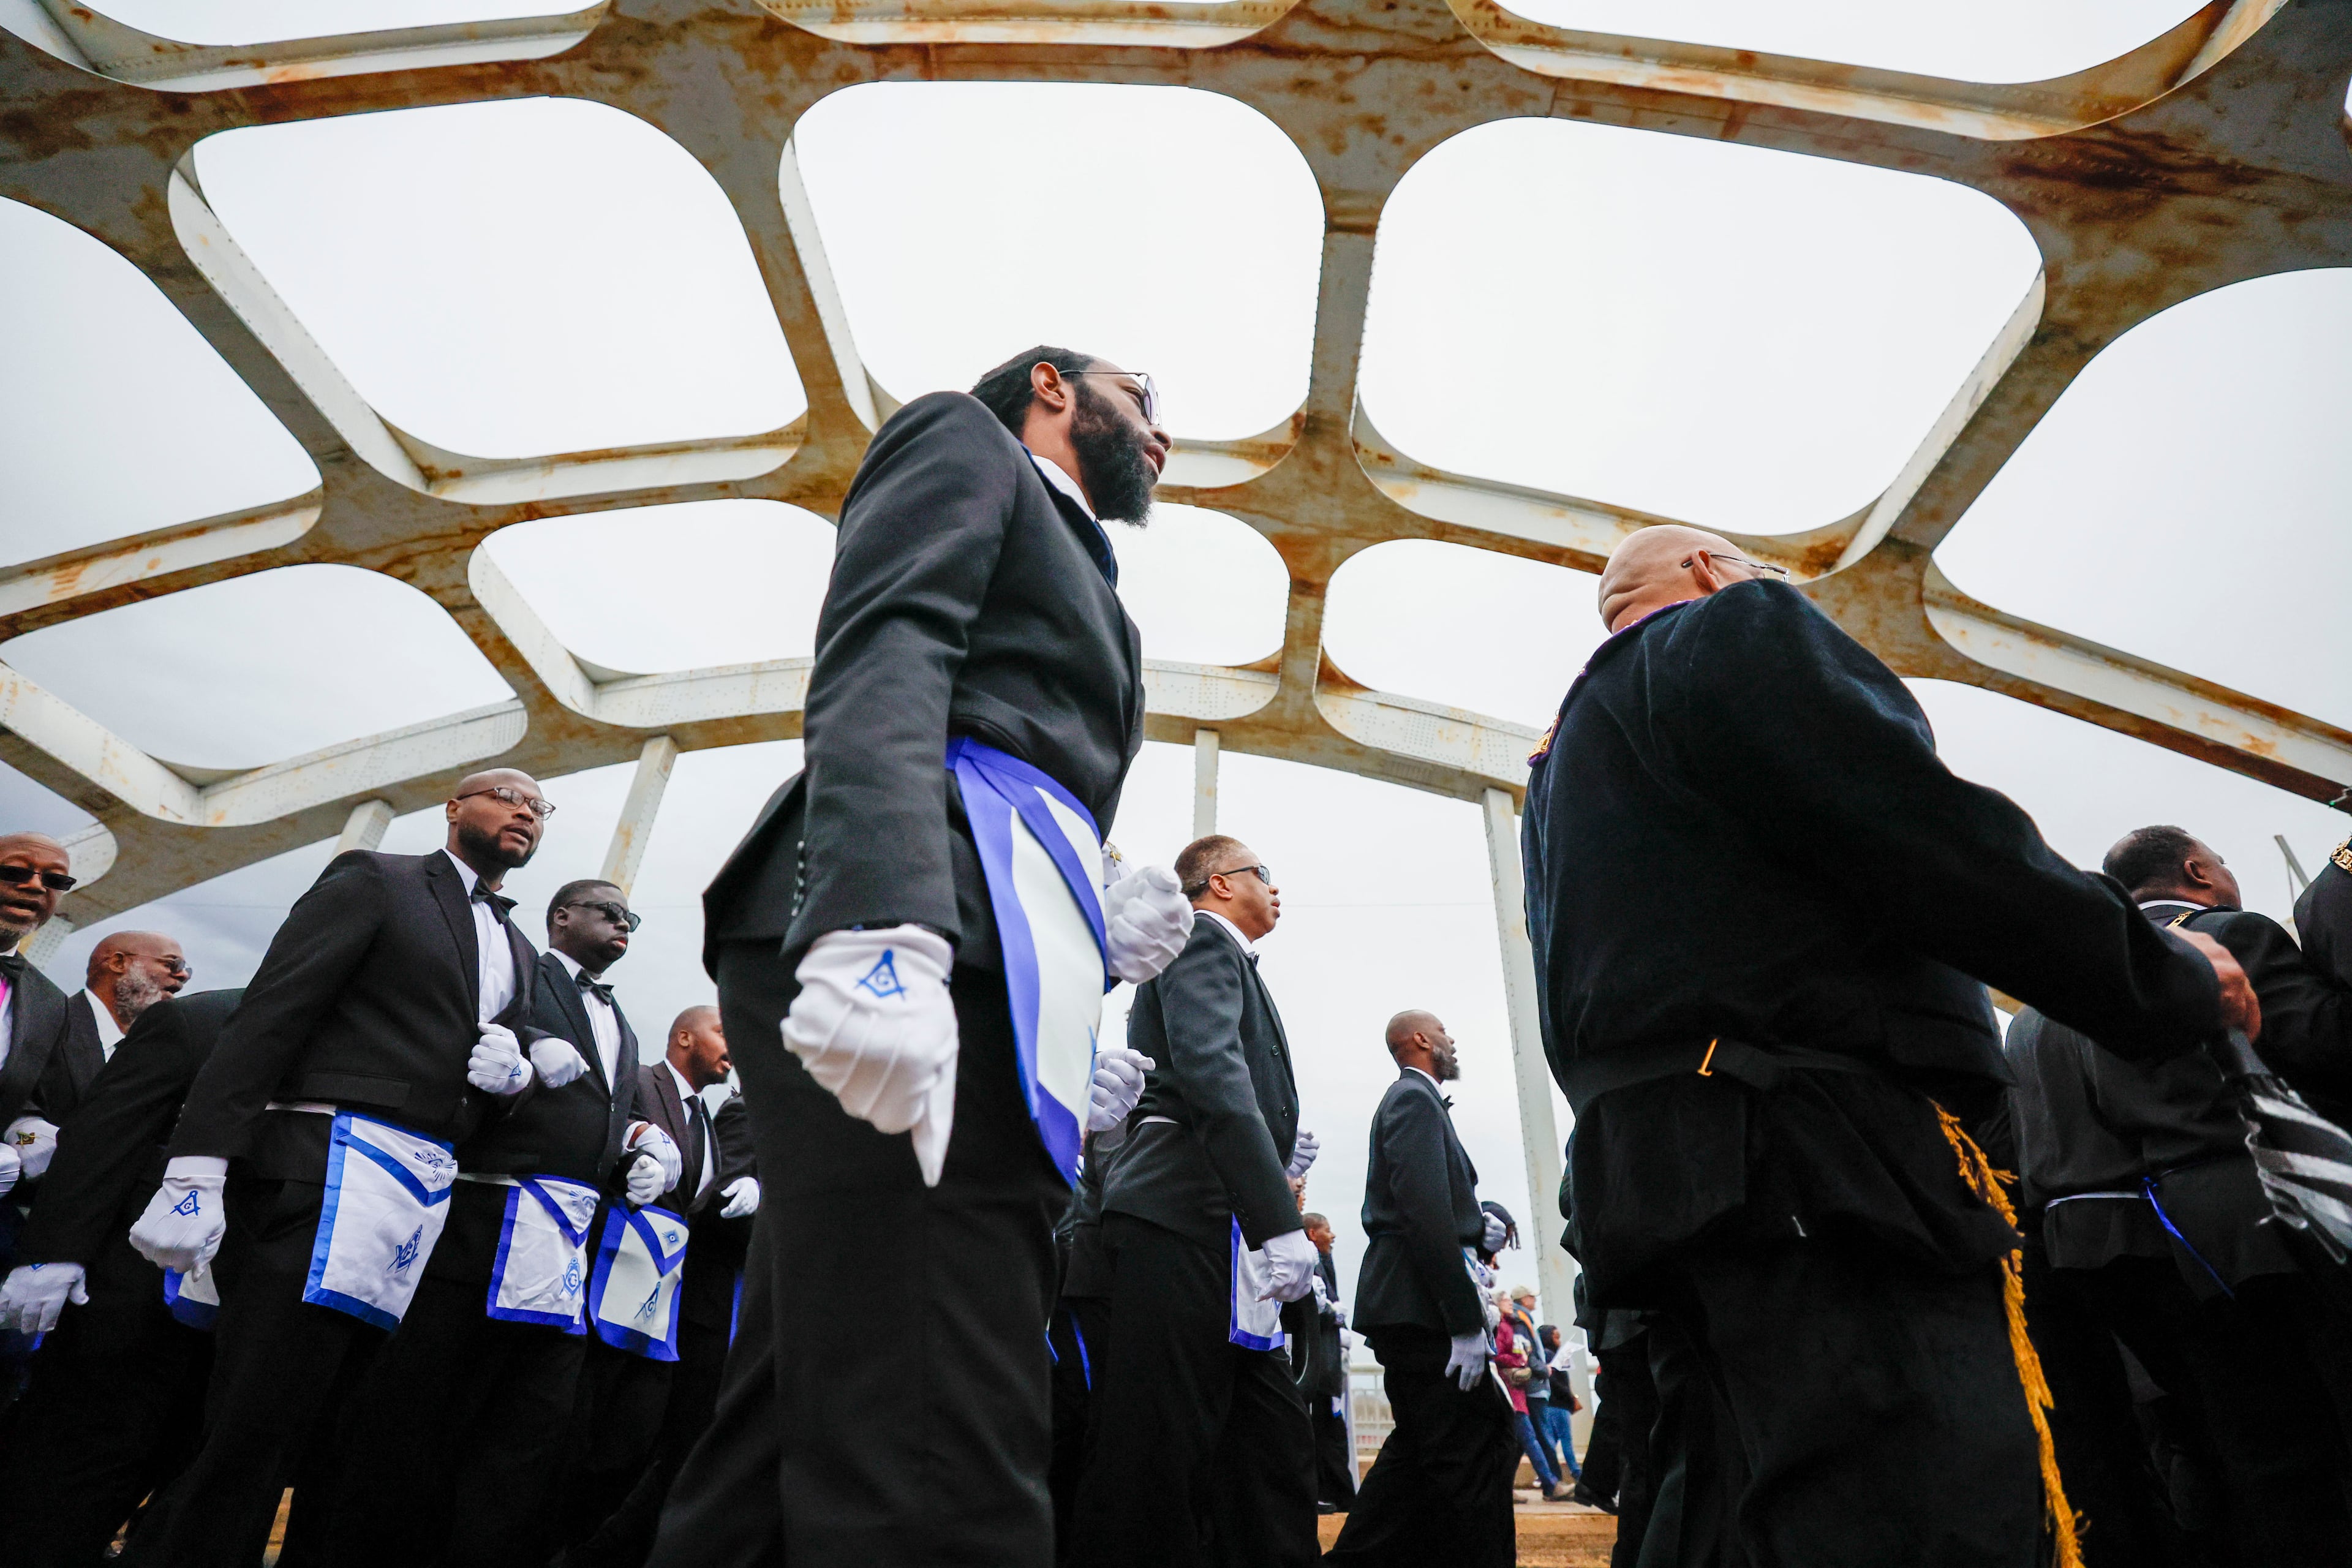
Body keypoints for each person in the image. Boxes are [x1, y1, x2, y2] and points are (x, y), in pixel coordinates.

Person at [1521, 525, 2260, 1567]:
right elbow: (1924, 834)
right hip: (1822, 1169)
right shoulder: (1731, 627)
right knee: (1927, 1496)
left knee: (1733, 1510)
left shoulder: (1563, 765)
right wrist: (2160, 975)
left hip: (1661, 1184)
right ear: (1707, 571)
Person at [664, 345, 1187, 1566]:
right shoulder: (965, 439)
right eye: (1140, 397)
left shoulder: (1090, 572)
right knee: (943, 1404)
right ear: (1052, 386)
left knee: (811, 1397)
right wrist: (880, 920)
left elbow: (1011, 757)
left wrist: (1094, 923)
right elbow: (889, 651)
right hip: (913, 930)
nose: (1161, 430)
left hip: (981, 934)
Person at [116, 770, 562, 1567]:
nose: (526, 810)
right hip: (315, 1183)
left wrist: (514, 1084)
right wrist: (197, 1164)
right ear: (454, 808)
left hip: (413, 1209)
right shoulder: (379, 880)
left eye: (541, 806)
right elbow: (270, 1016)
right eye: (507, 794)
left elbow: (479, 1093)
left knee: (329, 1439)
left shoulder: (521, 948)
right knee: (248, 1432)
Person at [2027, 824, 2352, 1564]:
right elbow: (2323, 1040)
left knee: (2258, 1448)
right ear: (2199, 869)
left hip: (2171, 1236)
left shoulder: (2061, 997)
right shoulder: (2224, 935)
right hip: (2279, 1209)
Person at [324, 877, 669, 1568]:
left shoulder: (622, 1021)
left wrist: (641, 1140)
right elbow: (465, 1026)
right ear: (563, 915)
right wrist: (524, 1048)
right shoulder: (520, 972)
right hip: (485, 1222)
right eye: (611, 911)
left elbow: (608, 1106)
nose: (625, 923)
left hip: (566, 1249)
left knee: (529, 1433)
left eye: (633, 916)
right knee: (425, 1411)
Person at [1072, 834, 1320, 1566]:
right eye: (1261, 874)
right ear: (1216, 884)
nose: (1273, 889)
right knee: (1155, 1453)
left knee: (1267, 1446)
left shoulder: (1225, 957)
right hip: (1181, 1216)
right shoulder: (1202, 944)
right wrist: (1281, 1219)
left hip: (1219, 1226)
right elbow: (1213, 1075)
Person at [0, 987, 240, 1566]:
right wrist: (53, 1253)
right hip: (133, 1308)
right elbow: (101, 1139)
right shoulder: (197, 1022)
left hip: (259, 1326)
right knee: (66, 1480)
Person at [556, 1006, 754, 1568]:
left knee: (630, 1444)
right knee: (583, 1435)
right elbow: (605, 1144)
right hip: (606, 1285)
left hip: (658, 1303)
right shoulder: (641, 1082)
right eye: (722, 1031)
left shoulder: (709, 1124)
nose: (731, 1045)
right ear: (685, 1036)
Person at [1329, 1011, 1518, 1566]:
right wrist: (1462, 1319)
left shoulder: (1417, 1102)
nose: (1453, 1038)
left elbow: (1432, 1205)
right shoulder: (1414, 1100)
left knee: (1420, 1455)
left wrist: (1473, 1220)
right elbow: (1422, 1208)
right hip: (1424, 1309)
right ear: (1420, 1040)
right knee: (1472, 1455)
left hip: (1411, 1304)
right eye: (1445, 1030)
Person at [1302, 1211, 1357, 1513]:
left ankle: (1339, 1492)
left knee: (1330, 1430)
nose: (1332, 1235)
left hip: (1328, 1364)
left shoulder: (1324, 1263)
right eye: (1327, 1230)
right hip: (1320, 1365)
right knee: (1324, 1430)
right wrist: (1333, 1315)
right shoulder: (1312, 1263)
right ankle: (1333, 1492)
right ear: (1312, 1233)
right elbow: (1314, 1307)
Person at [1492, 1287, 1564, 1501]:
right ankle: (1551, 1484)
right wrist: (1522, 1362)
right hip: (1511, 1391)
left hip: (1516, 1391)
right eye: (1505, 1301)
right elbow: (1499, 1354)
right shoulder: (1507, 1326)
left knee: (1519, 1442)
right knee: (1529, 1439)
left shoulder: (1510, 1325)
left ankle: (1504, 1487)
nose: (1509, 1304)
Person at [1536, 1325, 1580, 1483]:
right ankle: (1576, 1472)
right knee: (1565, 1439)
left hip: (1555, 1404)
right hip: (1558, 1405)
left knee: (1552, 1441)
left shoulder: (1550, 1355)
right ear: (1547, 1338)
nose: (1559, 1341)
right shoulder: (1549, 1355)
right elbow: (1553, 1381)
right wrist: (1569, 1395)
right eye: (1555, 1337)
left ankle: (1544, 1474)